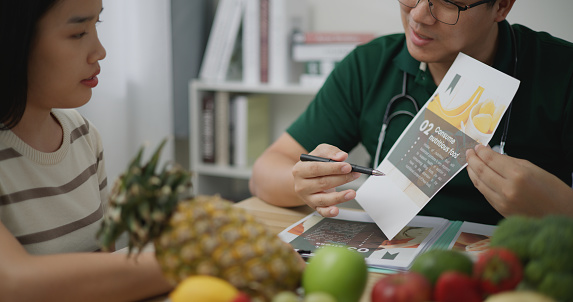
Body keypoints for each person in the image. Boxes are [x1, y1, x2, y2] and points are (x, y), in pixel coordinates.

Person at [250, 0, 573, 225]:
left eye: (448, 2)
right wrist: (303, 184)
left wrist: (559, 207)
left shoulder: (562, 72)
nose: (419, 15)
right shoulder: (370, 65)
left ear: (501, 5)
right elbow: (265, 171)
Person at [0, 0, 172, 300]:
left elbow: (102, 263)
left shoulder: (82, 133)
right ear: (13, 39)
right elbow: (15, 284)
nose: (100, 51)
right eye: (79, 33)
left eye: (97, 25)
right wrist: (186, 261)